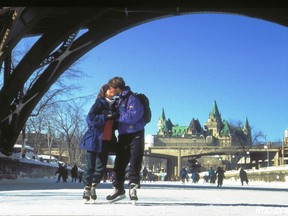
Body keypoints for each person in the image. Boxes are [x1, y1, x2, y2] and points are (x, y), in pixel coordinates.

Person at [106, 77, 145, 202]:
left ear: (118, 88)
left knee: (134, 162)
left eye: (112, 88)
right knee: (119, 163)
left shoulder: (132, 98)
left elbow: (133, 116)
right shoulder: (118, 100)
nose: (110, 91)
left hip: (135, 134)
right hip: (123, 135)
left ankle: (133, 187)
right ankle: (118, 188)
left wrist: (117, 116)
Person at [80, 84, 118, 202]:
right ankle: (86, 189)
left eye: (114, 88)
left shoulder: (116, 105)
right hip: (95, 139)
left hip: (107, 140)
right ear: (105, 91)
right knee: (90, 165)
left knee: (100, 168)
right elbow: (90, 119)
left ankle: (93, 186)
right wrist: (104, 117)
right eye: (110, 88)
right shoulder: (99, 103)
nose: (113, 90)